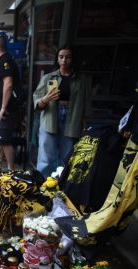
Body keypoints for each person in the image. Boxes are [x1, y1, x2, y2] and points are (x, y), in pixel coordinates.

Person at [33, 44, 91, 178]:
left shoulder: (81, 80)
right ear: (57, 59)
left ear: (72, 59)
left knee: (67, 157)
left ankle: (62, 187)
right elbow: (37, 101)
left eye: (68, 57)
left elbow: (86, 103)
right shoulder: (49, 78)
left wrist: (85, 124)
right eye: (61, 57)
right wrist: (45, 99)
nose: (64, 60)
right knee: (46, 157)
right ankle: (41, 187)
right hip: (51, 117)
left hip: (73, 116)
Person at [0, 36, 22, 172]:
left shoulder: (5, 61)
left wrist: (3, 107)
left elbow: (8, 84)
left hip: (5, 108)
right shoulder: (2, 61)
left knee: (4, 140)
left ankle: (11, 169)